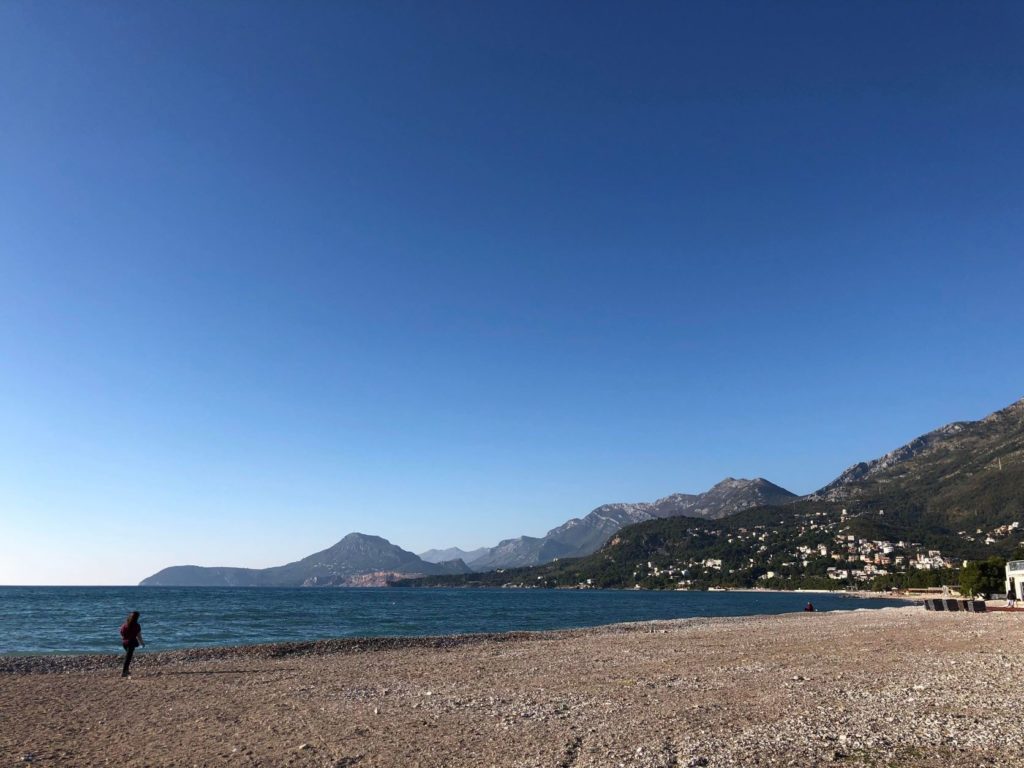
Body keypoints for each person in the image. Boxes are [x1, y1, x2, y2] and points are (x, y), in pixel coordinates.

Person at [119, 611, 144, 678]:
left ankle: (126, 670)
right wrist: (142, 643)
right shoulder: (136, 625)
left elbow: (121, 633)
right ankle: (124, 672)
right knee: (128, 658)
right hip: (131, 643)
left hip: (124, 643)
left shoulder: (125, 625)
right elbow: (139, 636)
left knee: (128, 657)